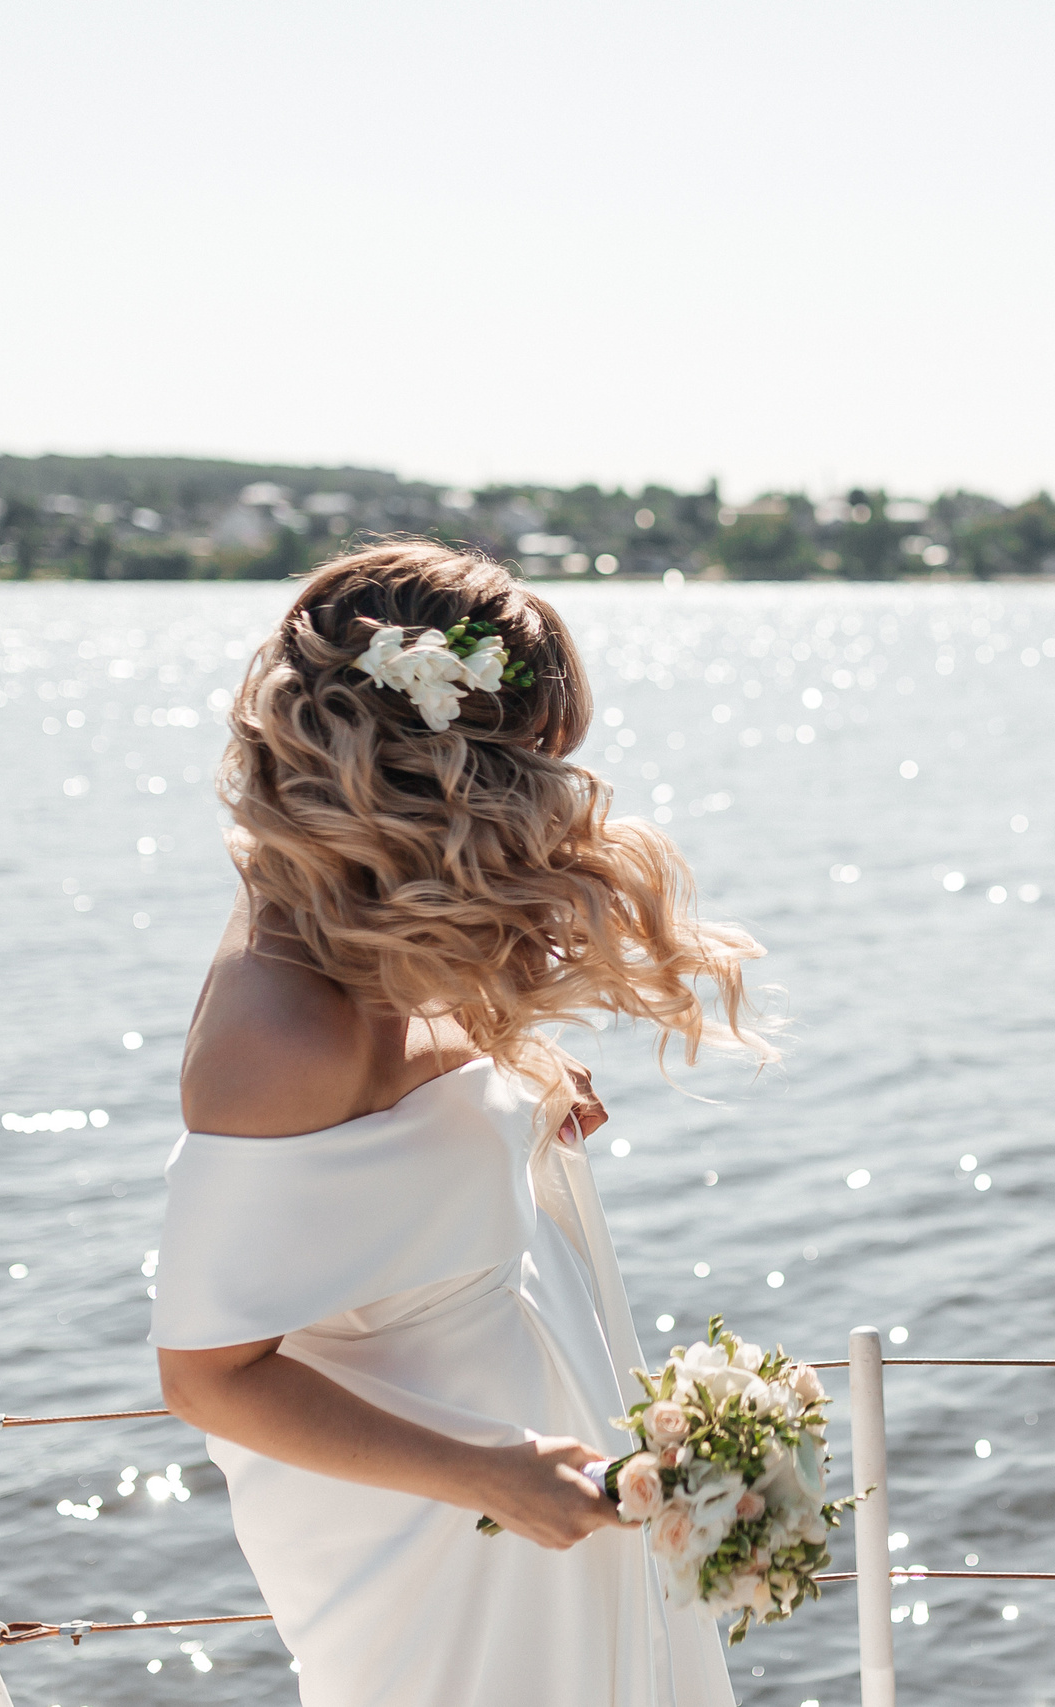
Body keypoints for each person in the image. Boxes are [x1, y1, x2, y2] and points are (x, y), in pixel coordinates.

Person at [152, 542, 768, 1707]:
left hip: (532, 1472)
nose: (551, 795)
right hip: (434, 1535)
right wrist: (484, 1474)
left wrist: (517, 1075)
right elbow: (207, 1376)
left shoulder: (362, 911)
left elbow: (385, 1151)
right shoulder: (276, 1034)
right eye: (533, 760)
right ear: (440, 768)